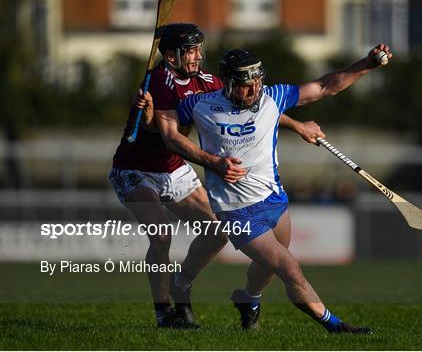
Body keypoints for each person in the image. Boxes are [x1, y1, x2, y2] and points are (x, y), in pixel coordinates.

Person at [143, 44, 393, 333]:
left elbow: (326, 86)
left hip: (274, 200)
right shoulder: (201, 105)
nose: (253, 91)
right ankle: (336, 326)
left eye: (257, 82)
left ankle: (248, 299)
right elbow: (167, 133)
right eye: (245, 86)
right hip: (237, 212)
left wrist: (367, 63)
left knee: (268, 269)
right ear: (228, 83)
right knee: (290, 270)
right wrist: (149, 114)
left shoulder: (272, 97)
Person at [109, 23, 326, 329]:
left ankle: (181, 283)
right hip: (136, 169)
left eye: (200, 48)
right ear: (171, 56)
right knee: (161, 234)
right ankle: (164, 314)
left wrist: (298, 125)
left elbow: (256, 107)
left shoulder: (208, 82)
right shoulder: (159, 81)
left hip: (174, 168)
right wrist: (146, 117)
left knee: (218, 230)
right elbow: (162, 132)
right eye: (191, 51)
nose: (198, 56)